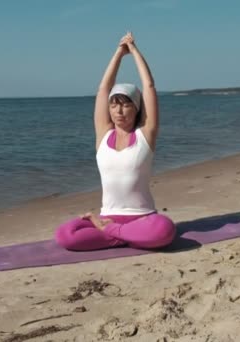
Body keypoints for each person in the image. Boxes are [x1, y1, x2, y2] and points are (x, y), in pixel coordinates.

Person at [54, 32, 176, 251]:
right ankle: (120, 233)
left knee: (164, 230)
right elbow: (103, 89)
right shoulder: (103, 135)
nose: (119, 111)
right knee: (65, 235)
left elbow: (148, 86)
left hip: (142, 218)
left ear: (136, 108)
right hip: (108, 216)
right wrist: (119, 52)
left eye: (126, 104)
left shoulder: (145, 134)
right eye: (114, 105)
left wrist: (134, 50)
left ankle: (110, 233)